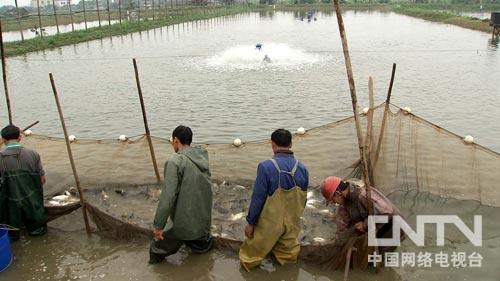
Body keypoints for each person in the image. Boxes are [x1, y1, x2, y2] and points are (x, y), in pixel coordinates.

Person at [239, 129, 309, 271]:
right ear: (290, 144)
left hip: (270, 223)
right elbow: (303, 200)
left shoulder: (266, 166)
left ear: (272, 145)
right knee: (288, 254)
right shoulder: (303, 169)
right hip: (292, 221)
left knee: (250, 256)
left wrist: (251, 223)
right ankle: (287, 272)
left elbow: (258, 198)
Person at [149, 125, 214, 264]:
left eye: (172, 140)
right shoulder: (202, 156)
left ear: (176, 141)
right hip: (203, 223)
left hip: (184, 224)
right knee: (201, 247)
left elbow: (168, 197)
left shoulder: (175, 162)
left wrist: (158, 226)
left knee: (155, 250)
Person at [317, 176, 406, 270]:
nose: (335, 203)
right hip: (377, 227)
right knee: (368, 259)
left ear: (338, 193)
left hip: (393, 227)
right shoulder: (344, 204)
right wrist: (338, 242)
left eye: (333, 200)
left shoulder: (364, 194)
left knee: (376, 262)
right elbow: (342, 225)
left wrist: (365, 225)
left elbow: (387, 213)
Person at [0, 125, 47, 240]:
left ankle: (14, 236)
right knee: (38, 232)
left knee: (11, 234)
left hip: (9, 205)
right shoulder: (33, 154)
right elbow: (42, 180)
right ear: (20, 137)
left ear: (3, 140)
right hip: (31, 202)